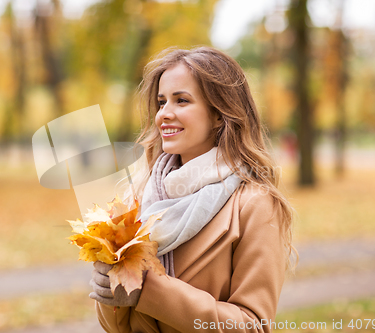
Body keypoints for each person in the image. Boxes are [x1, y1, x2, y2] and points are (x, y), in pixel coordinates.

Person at [88, 46, 296, 333]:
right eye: (162, 102)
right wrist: (110, 294)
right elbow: (118, 327)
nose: (164, 114)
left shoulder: (254, 204)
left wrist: (148, 291)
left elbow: (252, 326)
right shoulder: (140, 194)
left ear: (219, 115)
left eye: (181, 101)